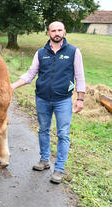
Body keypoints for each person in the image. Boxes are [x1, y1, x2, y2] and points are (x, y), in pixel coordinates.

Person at [11, 21, 85, 184]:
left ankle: (59, 169)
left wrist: (80, 98)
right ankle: (44, 161)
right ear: (48, 33)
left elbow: (79, 76)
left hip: (63, 100)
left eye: (59, 30)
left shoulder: (73, 52)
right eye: (53, 30)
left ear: (64, 32)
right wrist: (12, 86)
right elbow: (30, 74)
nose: (56, 33)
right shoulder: (41, 52)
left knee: (63, 134)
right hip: (42, 99)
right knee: (43, 129)